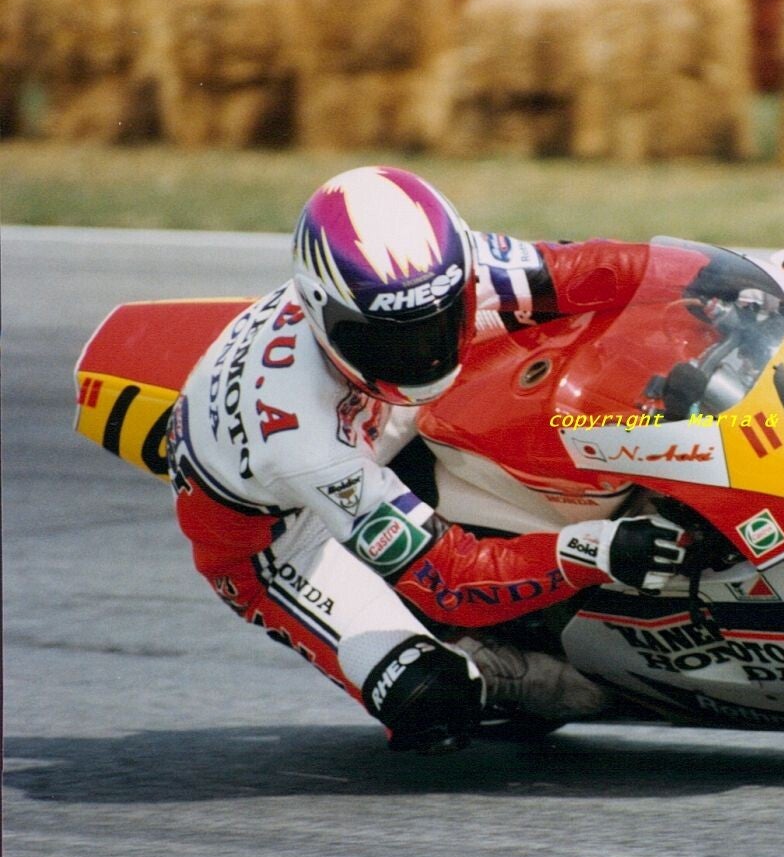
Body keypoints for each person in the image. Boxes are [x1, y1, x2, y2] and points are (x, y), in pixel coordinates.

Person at [165, 165, 687, 754]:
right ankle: (486, 666)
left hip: (369, 412)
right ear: (327, 318)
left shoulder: (446, 272)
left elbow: (600, 269)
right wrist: (595, 552)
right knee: (430, 697)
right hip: (283, 535)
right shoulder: (298, 440)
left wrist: (738, 280)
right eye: (393, 339)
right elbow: (451, 582)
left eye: (440, 323)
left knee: (591, 326)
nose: (424, 356)